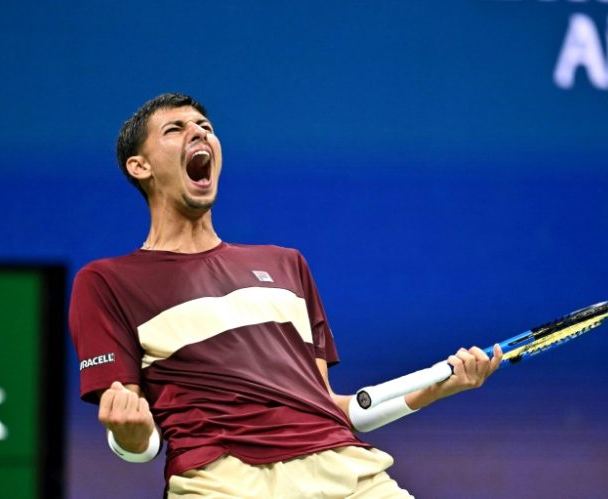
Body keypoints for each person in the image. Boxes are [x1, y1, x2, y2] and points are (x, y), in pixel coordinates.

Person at [69, 93, 503, 498]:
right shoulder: (108, 281)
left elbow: (330, 406)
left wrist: (439, 387)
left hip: (347, 472)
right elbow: (137, 435)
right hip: (223, 481)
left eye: (204, 125)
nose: (199, 132)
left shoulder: (285, 265)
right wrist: (127, 435)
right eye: (175, 129)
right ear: (139, 166)